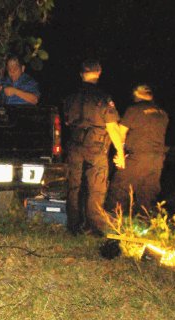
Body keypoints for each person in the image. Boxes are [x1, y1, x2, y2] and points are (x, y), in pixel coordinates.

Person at [64, 60, 125, 236]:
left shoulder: (71, 97)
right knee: (96, 188)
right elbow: (113, 128)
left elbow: (67, 120)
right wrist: (120, 153)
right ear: (99, 73)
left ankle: (74, 226)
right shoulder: (103, 97)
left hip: (75, 146)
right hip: (96, 147)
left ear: (81, 74)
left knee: (74, 187)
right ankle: (95, 227)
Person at [106, 84, 169, 212]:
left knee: (119, 189)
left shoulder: (134, 110)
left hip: (137, 158)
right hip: (157, 160)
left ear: (136, 95)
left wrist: (120, 153)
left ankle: (113, 222)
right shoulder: (162, 113)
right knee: (147, 194)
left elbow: (121, 133)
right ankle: (145, 223)